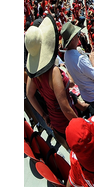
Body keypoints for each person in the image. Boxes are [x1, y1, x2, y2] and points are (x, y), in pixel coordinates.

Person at [25, 15, 78, 150]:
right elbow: (65, 107)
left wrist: (43, 115)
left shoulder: (34, 75)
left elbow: (29, 95)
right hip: (67, 121)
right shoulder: (53, 72)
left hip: (54, 121)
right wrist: (81, 125)